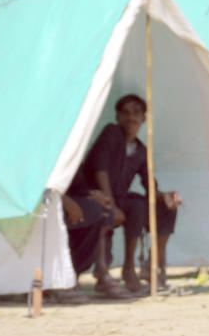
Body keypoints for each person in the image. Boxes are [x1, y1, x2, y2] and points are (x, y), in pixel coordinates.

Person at [67, 94, 182, 293]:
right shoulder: (111, 133)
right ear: (118, 117)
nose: (131, 117)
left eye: (136, 113)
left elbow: (150, 185)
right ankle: (102, 273)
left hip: (119, 198)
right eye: (126, 113)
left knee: (159, 207)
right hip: (93, 194)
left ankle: (147, 267)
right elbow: (100, 169)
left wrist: (165, 196)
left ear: (144, 119)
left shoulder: (140, 149)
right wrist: (111, 203)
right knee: (110, 208)